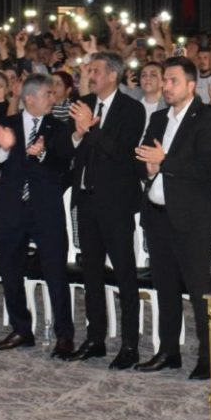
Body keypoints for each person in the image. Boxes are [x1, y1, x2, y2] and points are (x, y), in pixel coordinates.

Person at [135, 56, 211, 379]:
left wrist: (165, 160)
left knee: (199, 291)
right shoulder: (159, 118)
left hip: (193, 219)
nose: (166, 86)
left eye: (173, 81)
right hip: (158, 215)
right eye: (165, 80)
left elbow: (206, 167)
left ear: (191, 85)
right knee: (165, 288)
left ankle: (207, 358)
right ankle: (168, 351)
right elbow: (142, 157)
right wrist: (147, 168)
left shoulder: (208, 118)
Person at [65, 51, 148, 368]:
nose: (91, 75)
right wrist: (77, 133)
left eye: (97, 70)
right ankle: (95, 339)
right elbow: (67, 146)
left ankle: (129, 345)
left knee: (125, 275)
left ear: (113, 74)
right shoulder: (83, 103)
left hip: (115, 203)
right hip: (86, 201)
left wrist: (91, 129)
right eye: (90, 70)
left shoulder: (132, 109)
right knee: (92, 275)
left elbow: (121, 152)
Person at [0, 75, 76, 356]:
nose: (53, 98)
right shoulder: (7, 125)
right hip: (11, 208)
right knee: (10, 270)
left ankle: (64, 335)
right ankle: (21, 329)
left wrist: (42, 155)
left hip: (46, 209)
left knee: (56, 272)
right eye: (47, 94)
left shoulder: (58, 127)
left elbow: (65, 165)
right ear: (29, 98)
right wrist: (4, 148)